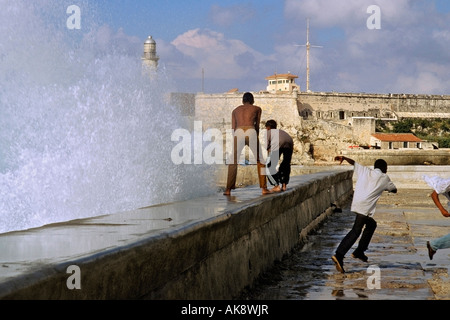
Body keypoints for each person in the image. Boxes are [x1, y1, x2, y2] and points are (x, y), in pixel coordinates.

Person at [331, 156, 397, 273]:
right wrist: (387, 189)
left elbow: (354, 162)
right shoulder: (385, 178)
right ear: (384, 168)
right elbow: (394, 189)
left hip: (357, 203)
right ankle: (339, 254)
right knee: (356, 231)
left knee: (371, 225)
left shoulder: (365, 170)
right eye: (386, 168)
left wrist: (344, 158)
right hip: (365, 207)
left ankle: (360, 251)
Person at [223, 92, 271, 196]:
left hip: (238, 132)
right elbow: (257, 125)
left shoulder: (235, 110)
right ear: (252, 100)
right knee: (260, 159)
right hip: (251, 130)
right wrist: (255, 135)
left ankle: (228, 190)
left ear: (242, 100)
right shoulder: (257, 109)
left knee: (233, 161)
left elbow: (233, 128)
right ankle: (264, 188)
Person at [423, 175, 450, 260]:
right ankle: (434, 245)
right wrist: (442, 209)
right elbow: (434, 195)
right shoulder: (446, 184)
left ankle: (434, 245)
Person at [265, 120, 294, 192]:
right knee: (285, 164)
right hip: (289, 142)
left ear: (268, 127)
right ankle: (284, 185)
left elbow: (267, 146)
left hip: (279, 143)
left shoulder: (269, 132)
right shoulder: (281, 131)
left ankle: (276, 185)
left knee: (268, 166)